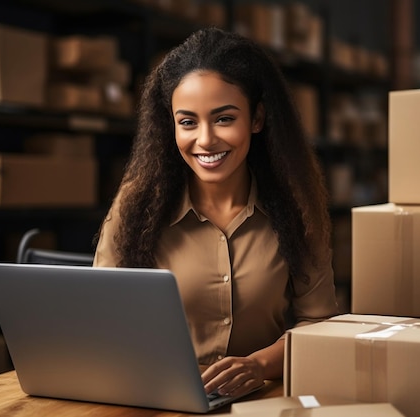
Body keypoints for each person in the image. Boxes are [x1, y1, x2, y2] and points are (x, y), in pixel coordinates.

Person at [93, 27, 338, 399]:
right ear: (170, 125)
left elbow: (318, 324)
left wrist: (258, 364)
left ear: (256, 119)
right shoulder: (136, 205)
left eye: (224, 118)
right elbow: (102, 316)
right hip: (153, 398)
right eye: (188, 122)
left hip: (260, 400)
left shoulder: (296, 208)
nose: (205, 140)